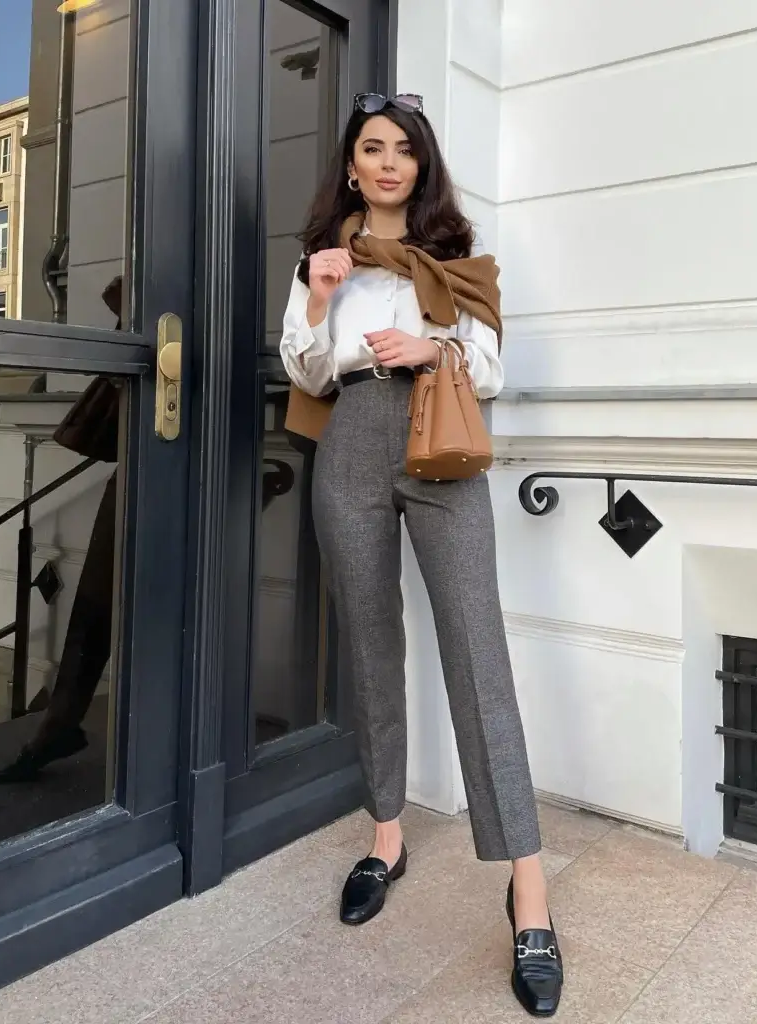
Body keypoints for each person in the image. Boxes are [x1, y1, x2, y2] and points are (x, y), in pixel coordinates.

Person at [280, 92, 563, 1017]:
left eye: (405, 148)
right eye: (373, 148)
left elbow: (489, 368)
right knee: (367, 643)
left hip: (437, 437)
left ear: (423, 163)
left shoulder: (457, 256)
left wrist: (429, 342)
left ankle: (527, 887)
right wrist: (321, 303)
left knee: (476, 652)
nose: (390, 162)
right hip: (352, 441)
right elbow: (307, 372)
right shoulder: (324, 258)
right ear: (352, 164)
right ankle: (388, 833)